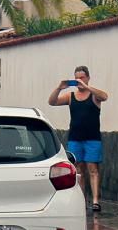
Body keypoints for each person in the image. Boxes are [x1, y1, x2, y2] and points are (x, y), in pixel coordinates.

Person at [47, 65, 110, 211]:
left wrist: (88, 87)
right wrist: (59, 88)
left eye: (82, 77)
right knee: (79, 169)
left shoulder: (94, 95)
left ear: (87, 78)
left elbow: (105, 96)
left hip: (92, 138)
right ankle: (82, 200)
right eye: (76, 78)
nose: (79, 80)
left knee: (93, 168)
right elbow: (52, 102)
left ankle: (95, 201)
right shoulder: (71, 96)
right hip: (75, 137)